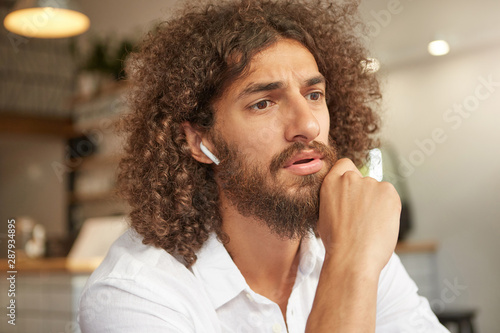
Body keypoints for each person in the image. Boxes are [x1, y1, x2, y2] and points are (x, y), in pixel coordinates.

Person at [79, 0, 449, 332]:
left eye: (314, 94)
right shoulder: (135, 294)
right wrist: (350, 265)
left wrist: (352, 256)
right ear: (199, 141)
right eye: (263, 103)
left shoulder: (350, 244)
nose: (308, 125)